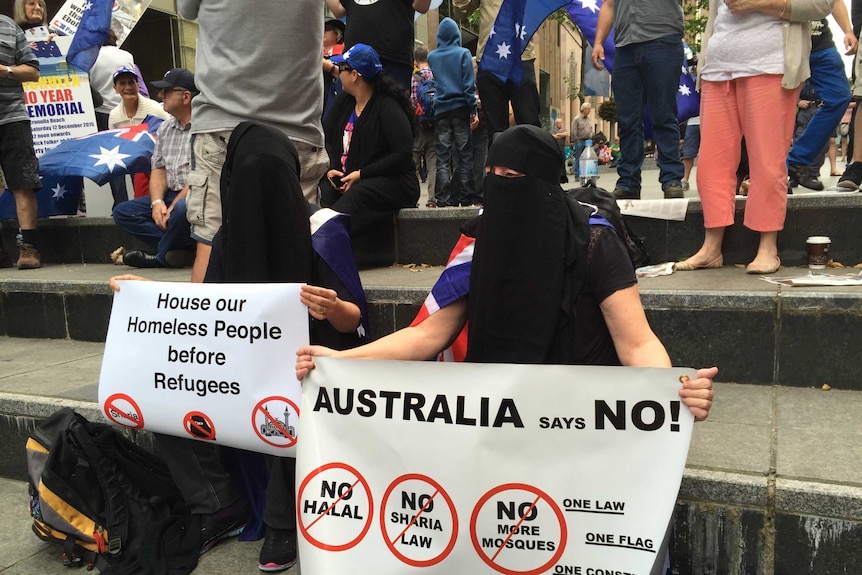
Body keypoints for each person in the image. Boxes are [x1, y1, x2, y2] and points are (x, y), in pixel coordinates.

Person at [296, 128, 715, 575]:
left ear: (543, 182)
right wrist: (337, 362)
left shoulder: (593, 242)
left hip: (583, 431)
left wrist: (672, 390)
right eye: (491, 174)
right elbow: (426, 336)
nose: (499, 185)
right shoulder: (481, 244)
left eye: (511, 175)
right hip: (500, 430)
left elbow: (637, 341)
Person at [111, 122, 368, 573]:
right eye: (246, 180)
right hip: (237, 371)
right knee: (159, 400)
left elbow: (355, 321)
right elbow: (206, 313)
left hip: (307, 370)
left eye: (268, 178)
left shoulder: (322, 231)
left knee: (292, 402)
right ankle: (217, 502)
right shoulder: (228, 239)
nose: (257, 191)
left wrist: (333, 308)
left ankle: (282, 518)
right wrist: (145, 295)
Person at [676, 0, 835, 275]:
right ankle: (712, 247)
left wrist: (761, 3)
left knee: (767, 159)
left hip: (771, 64)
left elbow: (821, 4)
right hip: (718, 66)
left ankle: (768, 247)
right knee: (712, 163)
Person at [176, 0, 329, 284]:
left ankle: (209, 328)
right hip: (297, 127)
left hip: (225, 122)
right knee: (295, 256)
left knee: (212, 246)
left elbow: (186, 10)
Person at [320, 44, 420, 244]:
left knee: (350, 203)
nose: (339, 73)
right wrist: (332, 168)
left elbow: (402, 154)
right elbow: (327, 137)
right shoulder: (345, 102)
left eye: (342, 69)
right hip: (351, 177)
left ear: (355, 74)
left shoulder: (387, 107)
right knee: (323, 196)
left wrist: (361, 174)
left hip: (392, 181)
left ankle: (332, 253)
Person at [593, 0, 686, 200]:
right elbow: (609, 5)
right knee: (627, 120)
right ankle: (628, 182)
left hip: (663, 40)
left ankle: (672, 180)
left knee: (664, 114)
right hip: (625, 47)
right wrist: (599, 42)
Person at [112, 68, 197, 269]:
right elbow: (159, 168)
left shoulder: (204, 127)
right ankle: (183, 250)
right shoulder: (165, 128)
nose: (160, 95)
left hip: (198, 194)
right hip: (170, 193)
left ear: (186, 96)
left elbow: (199, 175)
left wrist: (173, 205)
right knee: (123, 212)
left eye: (166, 91)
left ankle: (160, 257)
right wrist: (157, 202)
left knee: (182, 209)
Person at [452, 0, 542, 142]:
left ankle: (533, 163)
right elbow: (460, 11)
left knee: (529, 126)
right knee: (496, 132)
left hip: (520, 56)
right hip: (490, 59)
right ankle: (499, 163)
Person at [787, 3, 855, 191]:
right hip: (786, 40)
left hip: (821, 43)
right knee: (779, 106)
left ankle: (796, 162)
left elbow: (833, 1)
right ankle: (776, 172)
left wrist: (848, 30)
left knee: (840, 96)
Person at [0, 14, 42, 269]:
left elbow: (33, 72)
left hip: (13, 118)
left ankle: (29, 248)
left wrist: (5, 71)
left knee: (23, 185)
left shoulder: (8, 25)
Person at [325, 0, 432, 92]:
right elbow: (339, 10)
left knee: (389, 111)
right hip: (354, 59)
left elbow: (421, 6)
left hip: (391, 58)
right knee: (349, 112)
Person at [429, 18, 479, 208]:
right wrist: (473, 108)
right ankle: (465, 198)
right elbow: (468, 85)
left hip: (441, 110)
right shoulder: (463, 54)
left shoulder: (433, 56)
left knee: (443, 156)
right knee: (464, 154)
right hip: (460, 108)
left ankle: (442, 198)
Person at [411, 46, 438, 208]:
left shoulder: (413, 76)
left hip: (418, 124)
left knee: (414, 162)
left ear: (415, 60)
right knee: (432, 163)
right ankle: (432, 200)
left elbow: (412, 101)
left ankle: (414, 198)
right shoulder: (435, 74)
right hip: (433, 124)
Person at [570, 102, 592, 177]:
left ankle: (585, 174)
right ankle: (577, 174)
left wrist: (591, 135)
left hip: (587, 141)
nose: (589, 111)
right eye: (588, 109)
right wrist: (576, 139)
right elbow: (573, 130)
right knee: (579, 158)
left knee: (587, 158)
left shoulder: (589, 119)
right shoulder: (577, 119)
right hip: (579, 141)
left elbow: (590, 129)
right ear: (584, 109)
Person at [681, 116, 700, 191]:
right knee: (688, 153)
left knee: (708, 152)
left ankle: (709, 180)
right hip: (692, 122)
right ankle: (685, 179)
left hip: (710, 120)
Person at [552, 117, 569, 183]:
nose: (560, 124)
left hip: (562, 149)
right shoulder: (553, 130)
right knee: (557, 163)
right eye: (559, 123)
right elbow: (553, 136)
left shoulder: (564, 129)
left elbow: (566, 134)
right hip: (556, 149)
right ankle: (558, 177)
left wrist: (558, 134)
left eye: (561, 123)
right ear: (556, 124)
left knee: (563, 163)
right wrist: (560, 135)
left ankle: (564, 177)